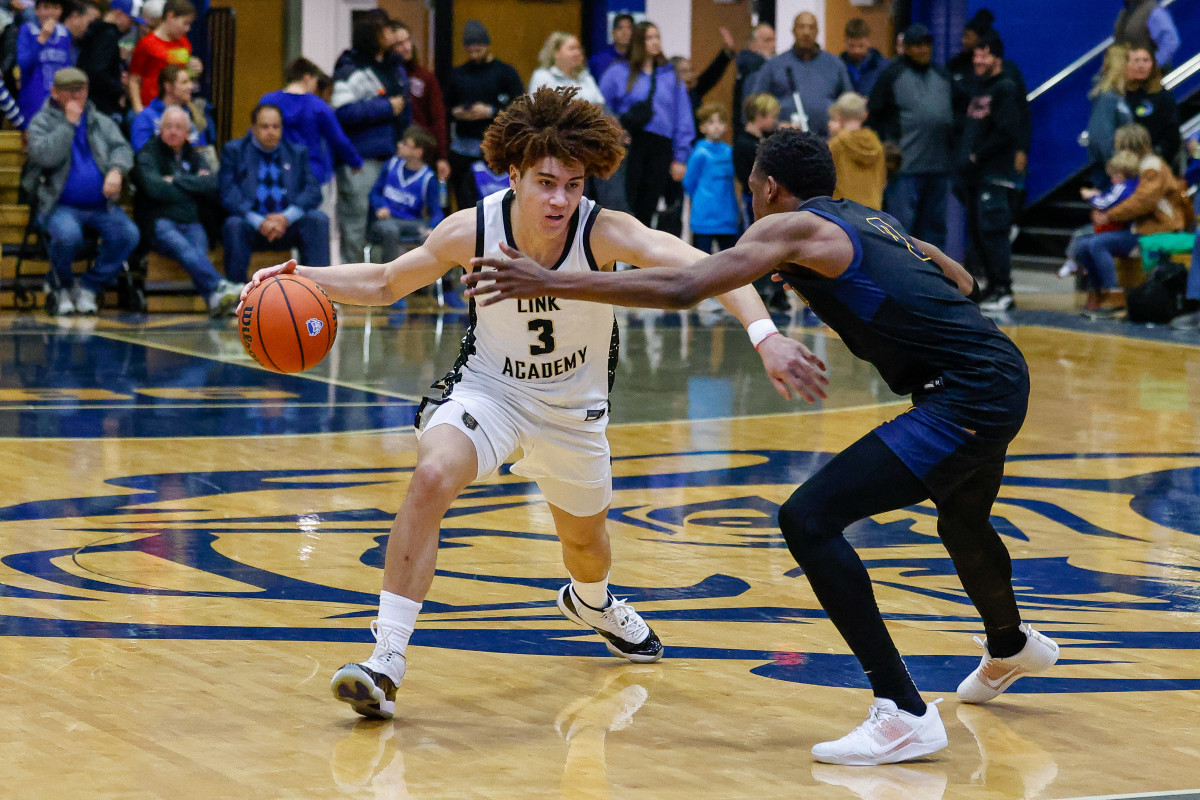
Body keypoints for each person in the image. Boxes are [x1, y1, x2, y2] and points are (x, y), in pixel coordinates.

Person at [462, 126, 1061, 767]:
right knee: (962, 517)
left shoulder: (786, 229)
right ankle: (1010, 645)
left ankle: (904, 713)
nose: (752, 199)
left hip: (965, 396)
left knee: (808, 519)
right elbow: (963, 280)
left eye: (751, 188)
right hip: (999, 370)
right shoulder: (869, 219)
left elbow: (682, 287)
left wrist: (552, 282)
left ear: (767, 187)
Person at [236, 87, 818, 722]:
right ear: (512, 173)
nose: (561, 199)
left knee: (588, 549)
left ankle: (591, 602)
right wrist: (301, 278)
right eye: (546, 182)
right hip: (493, 393)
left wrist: (767, 336)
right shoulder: (472, 228)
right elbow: (384, 281)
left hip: (575, 415)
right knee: (431, 476)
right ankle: (385, 661)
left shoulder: (604, 231)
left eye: (573, 184)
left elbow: (711, 267)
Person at [24, 67, 139, 315]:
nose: (77, 97)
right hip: (59, 204)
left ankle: (88, 286)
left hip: (101, 204)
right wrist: (68, 124)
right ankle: (61, 285)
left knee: (128, 234)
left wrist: (116, 170)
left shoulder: (100, 121)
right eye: (70, 92)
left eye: (82, 91)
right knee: (68, 236)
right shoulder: (40, 122)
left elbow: (122, 149)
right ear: (55, 93)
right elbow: (45, 156)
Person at [134, 105, 241, 316]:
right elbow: (154, 189)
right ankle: (220, 286)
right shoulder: (148, 154)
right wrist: (192, 186)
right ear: (160, 129)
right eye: (168, 126)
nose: (173, 131)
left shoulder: (194, 155)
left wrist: (175, 180)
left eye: (179, 127)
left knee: (196, 252)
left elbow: (212, 183)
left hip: (192, 221)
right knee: (187, 250)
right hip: (159, 221)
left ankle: (214, 299)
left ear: (187, 132)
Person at [1079, 123, 1186, 314]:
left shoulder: (1152, 167)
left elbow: (1141, 202)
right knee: (1082, 246)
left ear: (1127, 144)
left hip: (1158, 228)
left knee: (1098, 244)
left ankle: (1115, 296)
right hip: (1136, 227)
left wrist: (1108, 215)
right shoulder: (1135, 167)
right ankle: (1098, 292)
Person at [332, 12, 411, 265]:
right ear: (371, 34)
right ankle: (350, 287)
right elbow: (342, 111)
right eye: (384, 29)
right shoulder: (350, 67)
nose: (391, 34)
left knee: (389, 223)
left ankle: (384, 287)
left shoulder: (395, 67)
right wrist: (385, 107)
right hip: (359, 159)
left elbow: (404, 111)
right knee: (354, 223)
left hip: (392, 156)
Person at [218, 103, 329, 283]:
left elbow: (313, 191)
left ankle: (320, 291)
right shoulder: (235, 151)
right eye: (265, 126)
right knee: (233, 224)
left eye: (276, 127)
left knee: (317, 219)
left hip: (287, 224)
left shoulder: (297, 152)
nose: (271, 131)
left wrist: (286, 218)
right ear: (253, 128)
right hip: (251, 223)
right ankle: (236, 292)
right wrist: (260, 221)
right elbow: (228, 192)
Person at [599, 20, 694, 227]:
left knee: (649, 204)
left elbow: (683, 117)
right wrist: (617, 131)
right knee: (625, 202)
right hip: (630, 145)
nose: (655, 42)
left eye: (657, 37)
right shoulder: (619, 72)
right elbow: (601, 106)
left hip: (661, 146)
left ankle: (638, 258)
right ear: (638, 42)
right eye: (649, 37)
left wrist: (681, 156)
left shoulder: (670, 75)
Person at [868, 23, 954, 249]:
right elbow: (873, 116)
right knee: (901, 229)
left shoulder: (943, 75)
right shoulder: (891, 76)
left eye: (926, 44)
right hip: (904, 169)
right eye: (916, 45)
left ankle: (936, 279)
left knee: (935, 230)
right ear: (905, 48)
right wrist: (886, 147)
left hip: (938, 167)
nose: (923, 49)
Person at [956, 32, 1022, 313]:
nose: (978, 61)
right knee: (980, 233)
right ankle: (992, 288)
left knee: (993, 232)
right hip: (975, 176)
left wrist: (977, 154)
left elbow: (1007, 132)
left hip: (994, 175)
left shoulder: (1005, 88)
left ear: (996, 58)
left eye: (984, 55)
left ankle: (1004, 290)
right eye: (975, 56)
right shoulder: (980, 88)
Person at [445, 19, 523, 211]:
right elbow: (444, 108)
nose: (474, 55)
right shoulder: (458, 75)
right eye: (469, 51)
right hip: (464, 147)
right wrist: (457, 113)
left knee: (497, 203)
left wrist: (490, 111)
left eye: (478, 50)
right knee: (466, 203)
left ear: (487, 45)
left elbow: (519, 108)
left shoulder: (505, 73)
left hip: (495, 146)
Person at [260, 57, 363, 193]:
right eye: (315, 81)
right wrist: (355, 162)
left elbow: (255, 134)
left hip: (277, 172)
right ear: (307, 77)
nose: (315, 87)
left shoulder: (268, 101)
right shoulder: (318, 106)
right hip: (314, 174)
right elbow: (338, 138)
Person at [745, 12, 852, 137]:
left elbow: (848, 103)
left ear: (817, 31)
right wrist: (775, 126)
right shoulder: (773, 65)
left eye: (811, 27)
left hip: (827, 141)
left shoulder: (835, 64)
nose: (806, 32)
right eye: (801, 27)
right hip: (784, 141)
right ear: (793, 30)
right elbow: (756, 106)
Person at [1059, 151, 1141, 283]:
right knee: (1082, 245)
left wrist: (1090, 195)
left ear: (1120, 175)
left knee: (1094, 242)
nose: (1111, 180)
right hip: (1122, 228)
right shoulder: (1132, 184)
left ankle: (1111, 290)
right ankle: (1096, 290)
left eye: (1113, 176)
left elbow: (1103, 203)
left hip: (1128, 231)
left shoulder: (1123, 187)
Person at [367, 125, 443, 265]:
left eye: (405, 144)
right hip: (387, 220)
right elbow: (374, 193)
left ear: (418, 152)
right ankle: (390, 276)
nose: (399, 145)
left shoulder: (428, 178)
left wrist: (432, 228)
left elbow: (436, 211)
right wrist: (379, 207)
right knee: (391, 231)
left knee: (429, 237)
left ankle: (424, 283)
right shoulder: (391, 165)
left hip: (411, 223)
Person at [390, 19, 449, 183]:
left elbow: (438, 119)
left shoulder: (425, 78)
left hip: (422, 154)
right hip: (393, 152)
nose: (407, 47)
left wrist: (442, 156)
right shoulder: (387, 78)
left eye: (408, 41)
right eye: (399, 44)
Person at [683, 102, 739, 255]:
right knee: (701, 261)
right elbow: (689, 182)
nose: (716, 126)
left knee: (731, 260)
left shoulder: (730, 152)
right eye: (711, 122)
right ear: (703, 127)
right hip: (703, 218)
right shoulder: (699, 153)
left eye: (720, 122)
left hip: (727, 218)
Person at [74, 0, 141, 124]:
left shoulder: (96, 30)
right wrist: (118, 88)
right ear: (119, 14)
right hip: (100, 103)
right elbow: (98, 70)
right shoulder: (108, 35)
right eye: (130, 21)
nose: (130, 27)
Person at [127, 0, 194, 114]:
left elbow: (186, 75)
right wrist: (139, 110)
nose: (187, 29)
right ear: (170, 16)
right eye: (185, 23)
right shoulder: (146, 44)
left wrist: (195, 70)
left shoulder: (185, 43)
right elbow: (134, 81)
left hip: (178, 107)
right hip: (150, 107)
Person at [129, 63, 215, 153]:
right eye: (184, 82)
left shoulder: (191, 115)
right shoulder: (146, 117)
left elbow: (202, 150)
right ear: (168, 87)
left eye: (190, 82)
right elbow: (143, 152)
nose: (191, 86)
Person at [1085, 45, 1134, 191]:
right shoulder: (1108, 98)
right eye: (1132, 61)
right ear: (1121, 65)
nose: (1136, 66)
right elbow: (1101, 136)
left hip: (1117, 169)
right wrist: (1116, 167)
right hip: (1111, 174)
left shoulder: (1118, 96)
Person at [15, 0, 70, 126]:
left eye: (55, 7)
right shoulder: (28, 30)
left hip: (58, 102)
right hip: (33, 100)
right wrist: (42, 39)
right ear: (36, 11)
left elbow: (67, 67)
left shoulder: (64, 33)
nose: (50, 12)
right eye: (46, 8)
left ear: (60, 10)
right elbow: (24, 64)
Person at [827, 92, 885, 210]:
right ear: (865, 116)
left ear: (839, 117)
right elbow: (882, 180)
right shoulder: (876, 145)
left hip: (843, 212)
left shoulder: (834, 146)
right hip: (872, 212)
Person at [1124, 45, 1179, 166]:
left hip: (1158, 161)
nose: (1141, 65)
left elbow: (1172, 134)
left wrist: (1155, 156)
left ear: (1153, 64)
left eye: (1146, 60)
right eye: (1136, 61)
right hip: (1127, 163)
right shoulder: (1120, 97)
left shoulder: (1163, 96)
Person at [529, 31, 604, 107]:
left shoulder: (585, 76)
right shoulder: (543, 76)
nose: (577, 53)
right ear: (556, 52)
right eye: (572, 49)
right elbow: (538, 110)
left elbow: (601, 104)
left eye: (579, 48)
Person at [1113, 0, 1179, 71]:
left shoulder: (1153, 12)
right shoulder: (1125, 14)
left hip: (1154, 76)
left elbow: (1170, 41)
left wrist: (1151, 65)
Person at [733, 22, 775, 130]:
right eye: (767, 40)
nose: (773, 45)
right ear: (752, 45)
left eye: (774, 40)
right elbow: (752, 106)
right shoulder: (755, 70)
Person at [840, 18, 888, 97]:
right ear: (845, 41)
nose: (856, 51)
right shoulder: (838, 65)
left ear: (868, 41)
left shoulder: (884, 67)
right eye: (851, 46)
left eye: (861, 46)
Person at [588, 12, 633, 82]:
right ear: (613, 33)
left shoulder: (640, 58)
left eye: (629, 28)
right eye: (620, 28)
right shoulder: (598, 59)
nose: (625, 32)